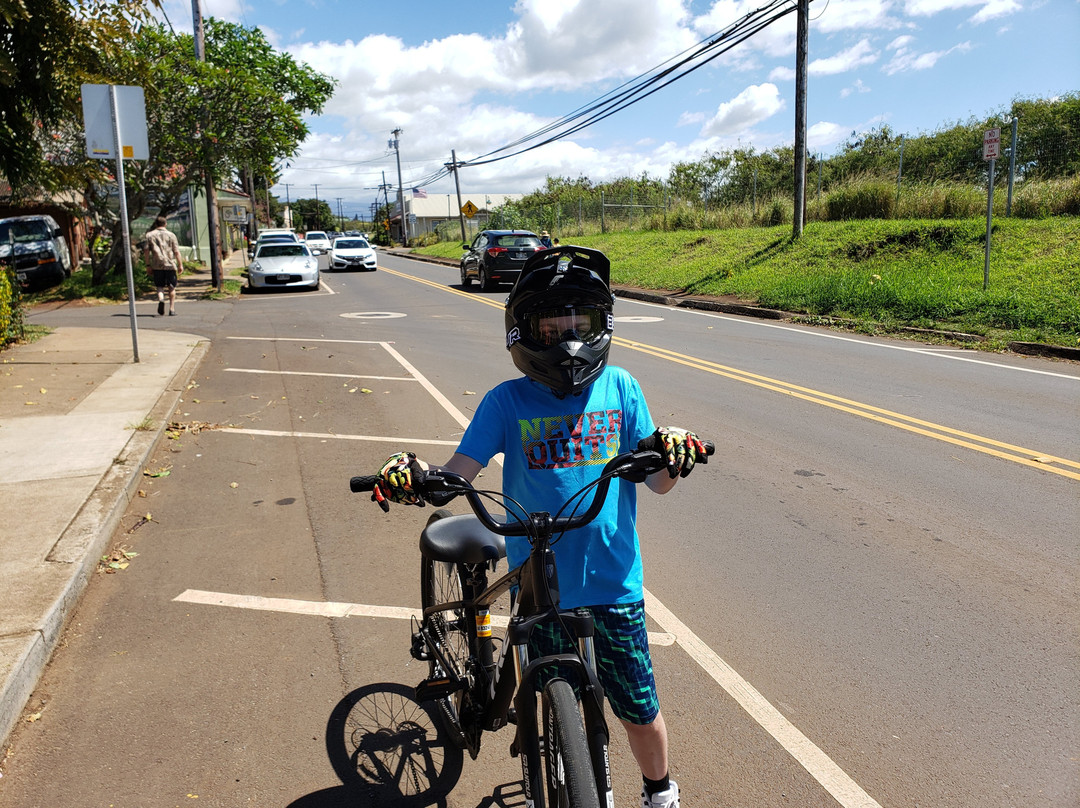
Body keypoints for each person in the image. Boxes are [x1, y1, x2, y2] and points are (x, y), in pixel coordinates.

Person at [374, 246, 707, 808]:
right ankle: (539, 773)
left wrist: (671, 455)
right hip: (538, 584)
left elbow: (657, 481)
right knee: (536, 694)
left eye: (581, 321)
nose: (569, 338)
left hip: (615, 587)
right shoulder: (505, 403)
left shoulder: (622, 389)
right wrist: (415, 475)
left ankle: (659, 792)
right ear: (524, 331)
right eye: (553, 325)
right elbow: (458, 474)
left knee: (640, 710)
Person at [142, 215, 184, 316]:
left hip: (157, 265)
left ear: (156, 224)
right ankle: (172, 309)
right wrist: (180, 264)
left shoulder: (149, 235)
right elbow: (176, 251)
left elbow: (146, 251)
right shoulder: (171, 235)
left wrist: (148, 265)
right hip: (170, 264)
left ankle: (161, 299)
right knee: (171, 287)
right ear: (165, 224)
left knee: (159, 286)